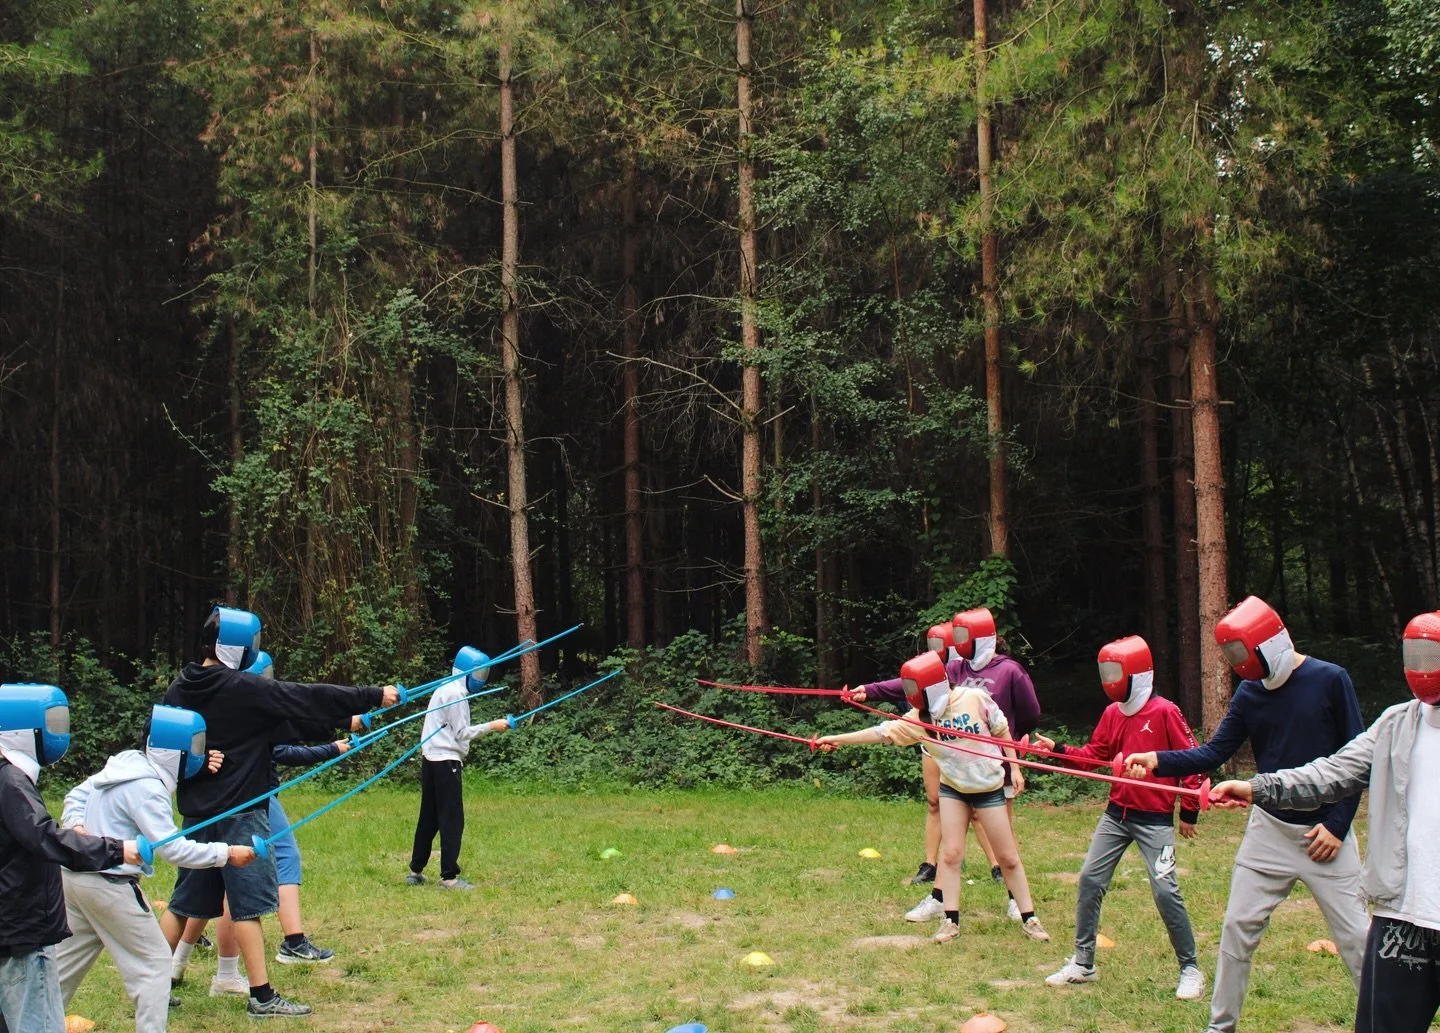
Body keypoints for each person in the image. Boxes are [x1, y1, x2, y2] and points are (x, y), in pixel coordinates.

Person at [1124, 595, 1370, 1033]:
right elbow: (1215, 751)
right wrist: (1157, 760)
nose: (1239, 664)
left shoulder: (1331, 679)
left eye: (1242, 652)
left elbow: (1357, 761)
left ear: (1269, 642)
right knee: (1237, 928)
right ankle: (1221, 1027)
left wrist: (1336, 826)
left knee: (1357, 940)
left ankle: (1384, 1022)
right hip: (1268, 831)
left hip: (1325, 835)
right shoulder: (1251, 691)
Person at [158, 606, 396, 1019]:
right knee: (247, 906)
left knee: (182, 905)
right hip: (241, 811)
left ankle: (151, 986)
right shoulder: (241, 687)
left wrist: (346, 721)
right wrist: (372, 694)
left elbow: (277, 723)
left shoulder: (182, 685)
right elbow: (303, 697)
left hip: (200, 814)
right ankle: (262, 997)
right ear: (238, 647)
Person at [1209, 610, 1440, 1033]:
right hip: (1402, 917)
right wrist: (1258, 788)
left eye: (1432, 656)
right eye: (1417, 655)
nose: (1424, 667)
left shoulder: (1330, 680)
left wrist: (1335, 826)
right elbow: (1331, 773)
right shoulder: (1396, 724)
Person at [818, 650, 1050, 945]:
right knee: (951, 856)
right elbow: (881, 732)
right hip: (953, 789)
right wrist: (837, 740)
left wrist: (1014, 769)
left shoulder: (974, 698)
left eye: (913, 688)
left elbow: (1002, 730)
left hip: (988, 788)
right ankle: (950, 922)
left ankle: (1030, 918)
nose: (910, 694)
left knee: (1008, 858)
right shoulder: (920, 718)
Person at [56, 705, 257, 1033]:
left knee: (60, 971)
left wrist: (76, 826)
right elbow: (172, 849)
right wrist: (226, 853)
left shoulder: (124, 764)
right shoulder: (147, 788)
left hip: (74, 881)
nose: (199, 754)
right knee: (155, 964)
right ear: (172, 752)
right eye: (194, 746)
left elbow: (75, 795)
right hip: (109, 885)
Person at [1032, 636, 1206, 1000]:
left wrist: (1189, 809)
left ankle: (1190, 968)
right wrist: (1058, 750)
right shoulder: (1112, 713)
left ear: (1136, 674)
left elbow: (1193, 760)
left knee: (1165, 891)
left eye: (1116, 672)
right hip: (1116, 816)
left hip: (1155, 819)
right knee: (1089, 880)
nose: (1109, 680)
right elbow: (1094, 755)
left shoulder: (1165, 711)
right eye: (1106, 672)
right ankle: (1084, 963)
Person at [171, 649, 347, 989]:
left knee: (207, 884)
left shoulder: (206, 694)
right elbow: (294, 731)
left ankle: (180, 967)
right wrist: (337, 735)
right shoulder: (249, 706)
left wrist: (343, 724)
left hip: (217, 801)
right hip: (248, 799)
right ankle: (286, 946)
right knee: (253, 877)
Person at [856, 608, 1042, 904]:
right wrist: (870, 690)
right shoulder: (956, 669)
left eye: (964, 635)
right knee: (952, 847)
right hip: (955, 766)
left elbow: (1030, 713)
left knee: (1005, 839)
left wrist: (1009, 746)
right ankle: (939, 899)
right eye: (957, 635)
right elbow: (914, 683)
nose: (959, 641)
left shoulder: (1009, 671)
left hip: (993, 764)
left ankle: (1014, 901)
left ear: (981, 637)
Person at [0, 683, 139, 1033]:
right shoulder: (10, 781)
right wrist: (116, 850)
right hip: (22, 931)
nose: (58, 732)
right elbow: (44, 837)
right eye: (51, 722)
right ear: (24, 731)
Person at [407, 646, 510, 890]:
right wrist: (493, 726)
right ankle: (449, 877)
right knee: (451, 819)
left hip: (431, 759)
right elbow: (462, 733)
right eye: (478, 673)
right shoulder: (456, 694)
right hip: (446, 762)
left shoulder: (445, 688)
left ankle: (415, 871)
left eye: (483, 674)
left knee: (429, 816)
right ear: (465, 671)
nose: (481, 679)